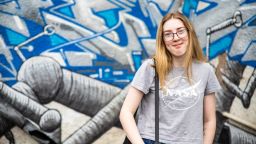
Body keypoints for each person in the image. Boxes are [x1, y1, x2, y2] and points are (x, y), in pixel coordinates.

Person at [119, 12, 221, 144]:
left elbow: (209, 120)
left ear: (189, 33)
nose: (175, 37)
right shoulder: (151, 68)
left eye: (180, 31)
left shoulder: (206, 70)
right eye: (168, 34)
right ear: (162, 40)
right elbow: (126, 112)